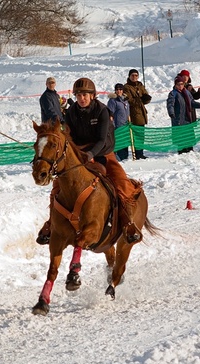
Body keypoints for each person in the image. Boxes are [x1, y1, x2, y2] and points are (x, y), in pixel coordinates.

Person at [36, 78, 142, 246]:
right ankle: (51, 223)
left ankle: (128, 223)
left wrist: (90, 153)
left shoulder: (102, 111)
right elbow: (69, 137)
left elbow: (101, 139)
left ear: (92, 95)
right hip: (80, 155)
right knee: (57, 186)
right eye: (78, 95)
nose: (81, 98)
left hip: (103, 153)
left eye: (85, 95)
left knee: (121, 184)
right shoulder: (71, 112)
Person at [167, 75, 200, 154]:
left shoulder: (187, 92)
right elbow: (170, 104)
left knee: (188, 135)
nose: (180, 86)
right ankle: (181, 151)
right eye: (178, 84)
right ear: (175, 85)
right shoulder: (173, 93)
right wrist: (171, 113)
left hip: (187, 119)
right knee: (180, 137)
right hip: (178, 119)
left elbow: (192, 102)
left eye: (182, 84)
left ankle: (189, 150)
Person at [123, 69, 151, 159]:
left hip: (142, 113)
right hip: (134, 113)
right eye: (132, 75)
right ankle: (137, 153)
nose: (134, 77)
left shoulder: (140, 85)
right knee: (136, 134)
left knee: (141, 135)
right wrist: (140, 100)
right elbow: (129, 100)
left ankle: (140, 152)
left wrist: (147, 98)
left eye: (136, 75)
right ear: (129, 76)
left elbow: (145, 95)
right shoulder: (126, 87)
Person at [107, 83, 130, 161]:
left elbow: (127, 112)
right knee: (119, 142)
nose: (118, 91)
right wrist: (112, 125)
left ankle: (125, 157)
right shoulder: (113, 101)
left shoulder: (125, 100)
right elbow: (110, 113)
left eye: (120, 89)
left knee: (125, 142)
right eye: (117, 89)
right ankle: (119, 157)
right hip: (117, 126)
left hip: (125, 125)